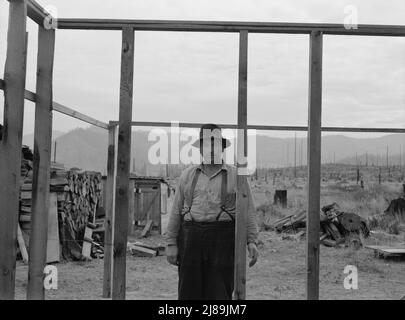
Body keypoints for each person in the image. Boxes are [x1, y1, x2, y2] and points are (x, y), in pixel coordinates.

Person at [165, 123, 259, 300]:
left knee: (219, 293)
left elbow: (248, 211)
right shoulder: (188, 175)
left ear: (222, 148)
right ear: (200, 148)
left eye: (215, 144)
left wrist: (251, 241)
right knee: (188, 293)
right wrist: (171, 243)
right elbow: (176, 211)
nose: (211, 149)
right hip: (190, 240)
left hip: (223, 242)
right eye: (206, 145)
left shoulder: (236, 176)